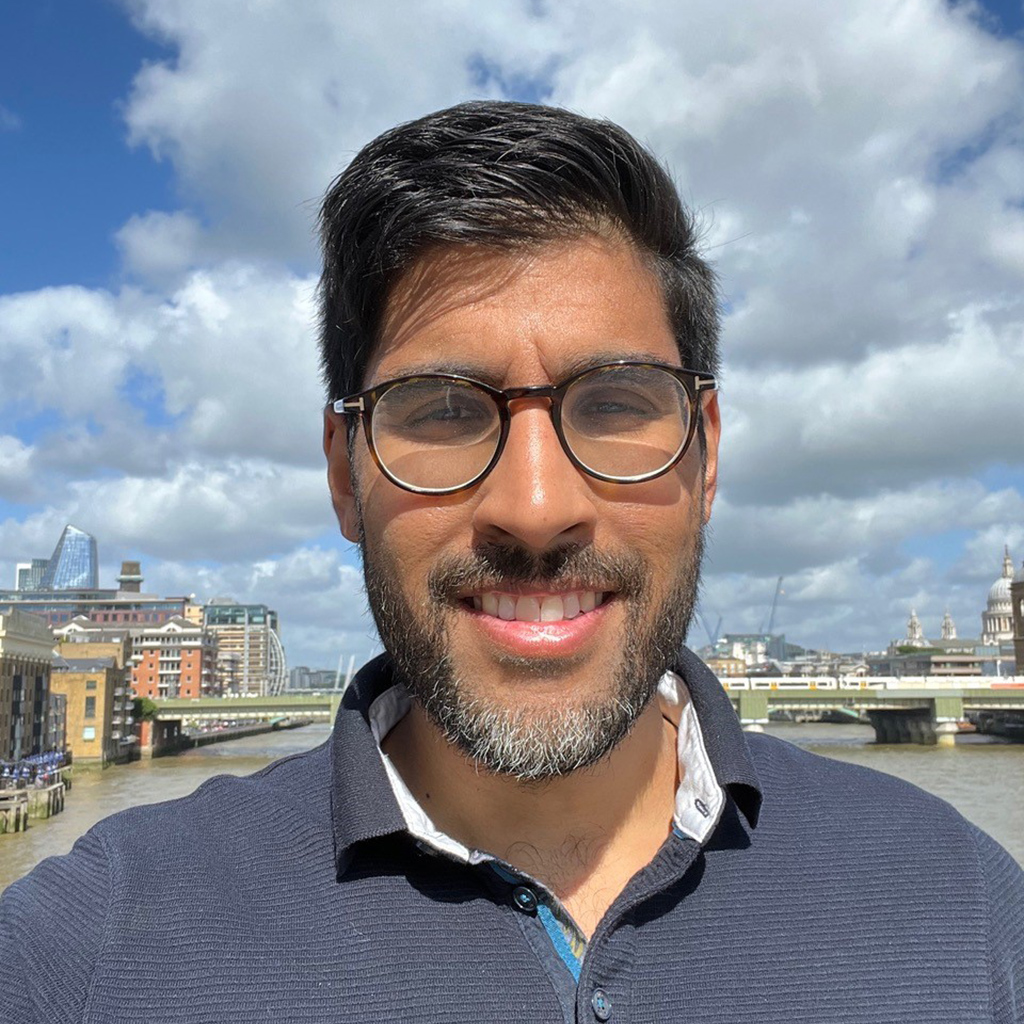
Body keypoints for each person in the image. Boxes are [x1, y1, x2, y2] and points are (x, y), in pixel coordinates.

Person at [2, 100, 1021, 1023]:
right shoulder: (85, 951)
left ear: (705, 452)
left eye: (617, 401)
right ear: (344, 475)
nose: (536, 509)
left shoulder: (972, 911)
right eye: (442, 409)